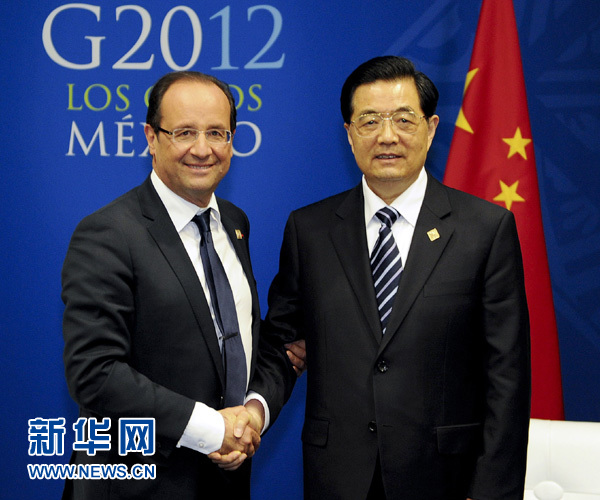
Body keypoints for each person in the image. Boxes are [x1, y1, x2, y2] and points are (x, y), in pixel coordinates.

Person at [255, 56, 531, 499]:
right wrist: (252, 409)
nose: (387, 136)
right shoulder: (309, 230)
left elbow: (507, 376)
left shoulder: (485, 229)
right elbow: (281, 344)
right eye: (369, 121)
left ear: (432, 127)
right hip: (338, 477)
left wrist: (493, 491)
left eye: (404, 119)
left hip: (445, 477)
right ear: (348, 134)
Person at [61, 71, 279, 499]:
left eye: (216, 132)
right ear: (151, 137)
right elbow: (94, 373)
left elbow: (237, 344)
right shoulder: (107, 233)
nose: (202, 149)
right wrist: (213, 428)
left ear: (233, 140)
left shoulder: (234, 223)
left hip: (224, 483)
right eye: (183, 132)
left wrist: (250, 416)